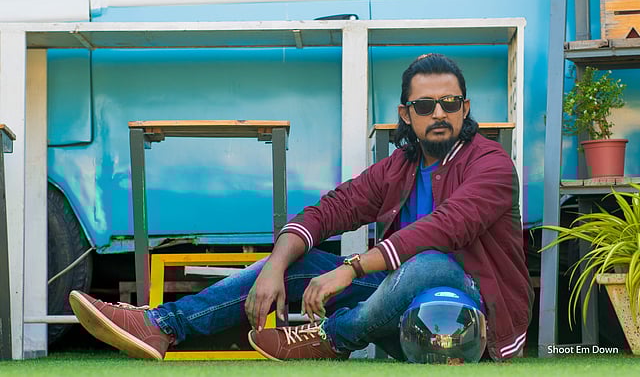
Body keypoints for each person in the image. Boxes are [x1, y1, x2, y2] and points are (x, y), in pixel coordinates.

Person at [69, 53, 533, 362]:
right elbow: (331, 209)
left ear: (465, 108)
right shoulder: (399, 166)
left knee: (430, 262)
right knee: (300, 259)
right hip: (401, 316)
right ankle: (162, 325)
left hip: (472, 316)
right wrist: (276, 265)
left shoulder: (491, 163)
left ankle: (332, 336)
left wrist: (351, 268)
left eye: (449, 103)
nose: (439, 114)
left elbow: (445, 229)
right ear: (406, 114)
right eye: (426, 105)